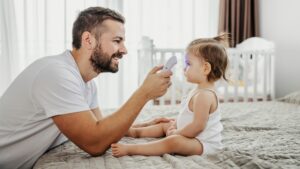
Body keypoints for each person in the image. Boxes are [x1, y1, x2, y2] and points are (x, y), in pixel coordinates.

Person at [0, 7, 173, 169]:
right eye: (117, 41)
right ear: (88, 40)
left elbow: (101, 129)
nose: (124, 49)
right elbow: (95, 143)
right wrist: (143, 94)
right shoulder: (56, 74)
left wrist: (141, 128)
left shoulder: (86, 83)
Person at [111, 34, 229, 157]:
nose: (184, 68)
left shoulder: (205, 96)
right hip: (192, 135)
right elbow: (189, 117)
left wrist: (177, 132)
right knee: (164, 125)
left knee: (174, 141)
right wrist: (176, 124)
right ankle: (134, 132)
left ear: (205, 68)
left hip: (203, 144)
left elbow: (197, 126)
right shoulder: (198, 90)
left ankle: (131, 149)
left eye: (189, 64)